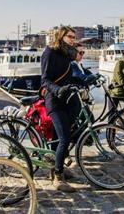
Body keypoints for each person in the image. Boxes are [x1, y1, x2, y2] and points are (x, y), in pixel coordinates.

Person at [41, 26, 78, 192]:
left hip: (67, 100)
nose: (72, 39)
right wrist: (57, 90)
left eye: (73, 37)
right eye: (69, 36)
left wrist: (86, 81)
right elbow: (45, 80)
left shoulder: (67, 54)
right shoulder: (49, 53)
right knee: (65, 138)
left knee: (58, 139)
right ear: (61, 36)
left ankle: (58, 164)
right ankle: (57, 176)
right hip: (54, 101)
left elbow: (70, 77)